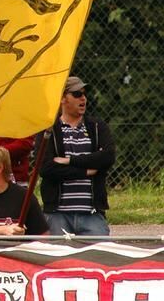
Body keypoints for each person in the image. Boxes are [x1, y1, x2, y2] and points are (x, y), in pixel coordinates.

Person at [37, 76, 115, 236]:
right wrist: (85, 171)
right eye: (77, 94)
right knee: (56, 258)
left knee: (100, 256)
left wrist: (69, 160)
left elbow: (107, 157)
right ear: (62, 98)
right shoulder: (48, 130)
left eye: (84, 94)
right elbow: (46, 168)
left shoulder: (97, 127)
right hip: (57, 214)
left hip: (92, 213)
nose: (83, 99)